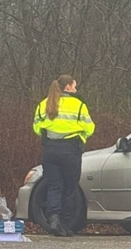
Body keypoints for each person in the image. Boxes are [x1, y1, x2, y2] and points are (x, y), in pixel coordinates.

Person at [32, 75, 95, 236]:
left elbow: (37, 127)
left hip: (50, 150)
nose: (76, 89)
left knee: (54, 186)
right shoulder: (78, 105)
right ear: (67, 87)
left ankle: (54, 219)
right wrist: (81, 137)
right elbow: (90, 128)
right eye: (74, 86)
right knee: (69, 188)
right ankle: (65, 223)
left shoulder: (44, 103)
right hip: (70, 150)